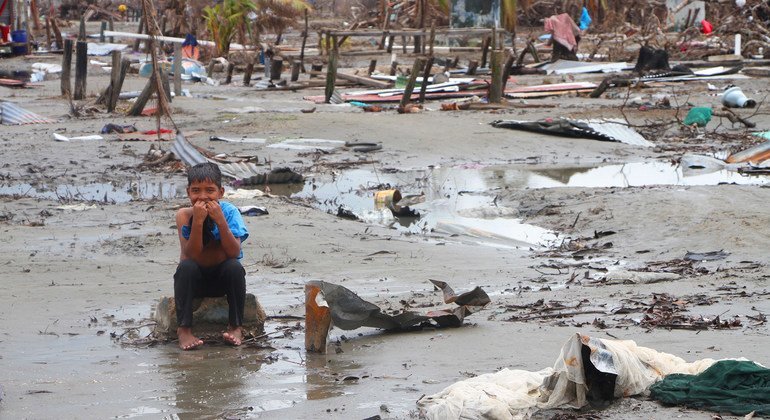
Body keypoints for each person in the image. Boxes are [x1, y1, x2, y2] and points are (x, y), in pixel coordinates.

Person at [174, 162, 249, 350]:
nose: (203, 196)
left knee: (235, 267)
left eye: (210, 190)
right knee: (185, 268)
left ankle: (235, 326)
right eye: (196, 191)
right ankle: (184, 330)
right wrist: (198, 222)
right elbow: (190, 255)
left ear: (221, 192)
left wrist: (220, 220)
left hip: (222, 281)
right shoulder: (184, 215)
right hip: (195, 281)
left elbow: (234, 252)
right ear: (188, 192)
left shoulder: (230, 212)